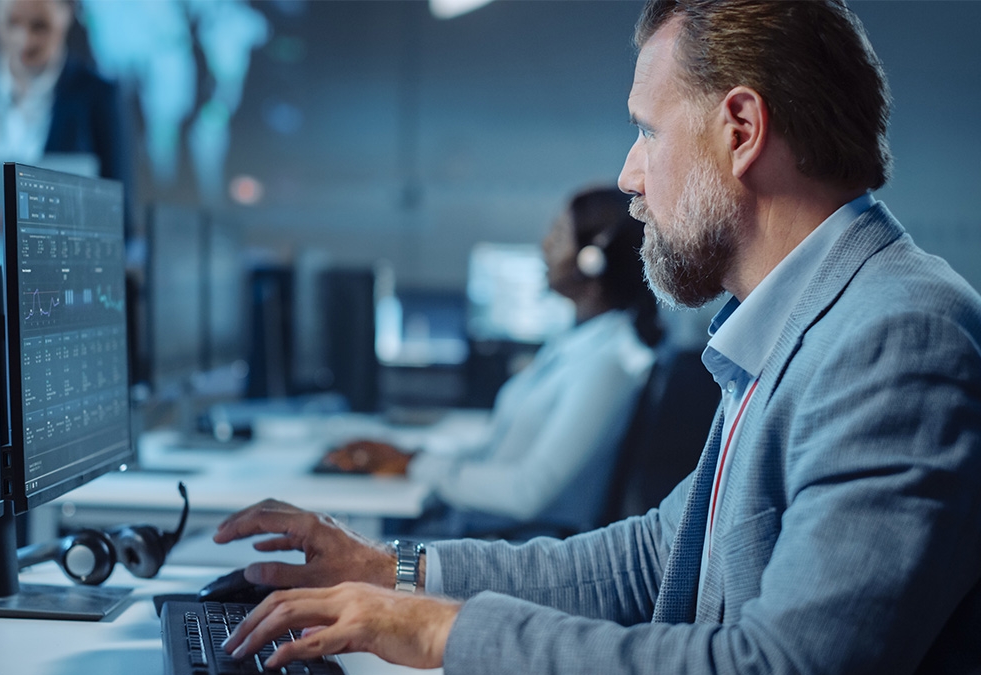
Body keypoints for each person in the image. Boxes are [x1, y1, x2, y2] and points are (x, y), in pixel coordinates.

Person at [207, 0, 981, 672]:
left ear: (741, 129)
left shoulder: (897, 337)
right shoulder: (802, 327)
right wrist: (393, 569)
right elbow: (651, 558)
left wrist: (446, 630)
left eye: (648, 130)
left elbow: (782, 663)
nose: (628, 175)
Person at [322, 187, 661, 536]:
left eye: (558, 235)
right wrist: (410, 456)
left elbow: (527, 492)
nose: (545, 245)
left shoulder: (608, 363)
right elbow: (493, 452)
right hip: (487, 530)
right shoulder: (577, 345)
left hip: (521, 546)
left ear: (592, 259)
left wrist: (417, 465)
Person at [0, 0, 130, 186]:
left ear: (68, 13)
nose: (24, 40)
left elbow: (121, 215)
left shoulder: (99, 96)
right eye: (11, 22)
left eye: (40, 26)